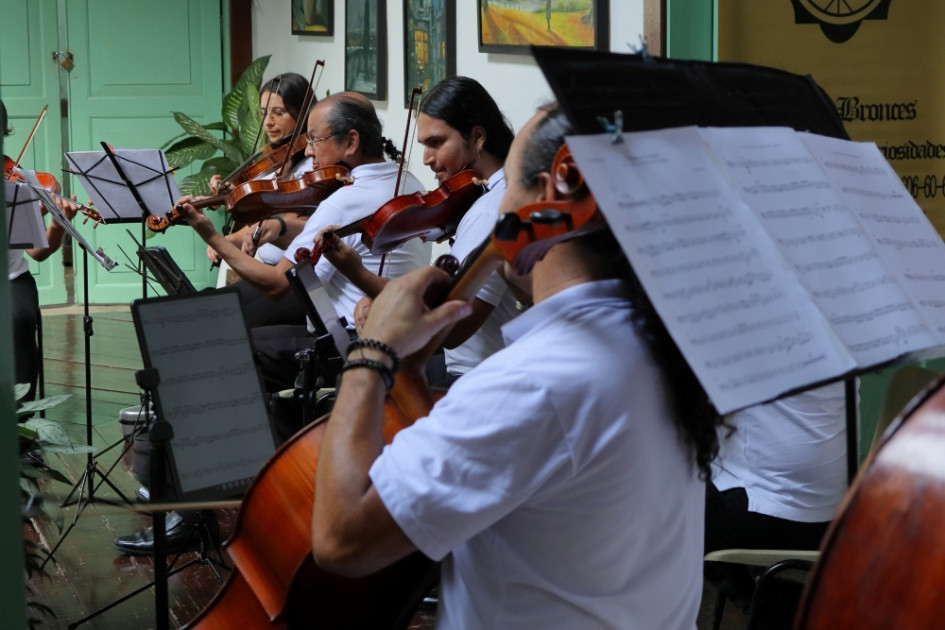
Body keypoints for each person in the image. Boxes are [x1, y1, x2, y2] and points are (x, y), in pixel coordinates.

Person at [310, 104, 725, 629]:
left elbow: (340, 541)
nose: (499, 202)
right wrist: (410, 372)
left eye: (508, 183)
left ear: (553, 195)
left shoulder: (536, 380)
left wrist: (370, 356)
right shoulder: (656, 343)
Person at [114, 92, 431, 557]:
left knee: (202, 359)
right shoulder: (408, 179)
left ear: (350, 143)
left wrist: (210, 233)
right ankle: (215, 486)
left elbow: (276, 284)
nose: (309, 151)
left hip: (340, 344)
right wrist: (279, 227)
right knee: (224, 341)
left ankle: (197, 510)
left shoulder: (347, 200)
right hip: (383, 336)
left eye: (317, 140)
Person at [314, 76, 519, 385]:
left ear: (477, 137)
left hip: (476, 379)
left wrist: (360, 276)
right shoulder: (492, 194)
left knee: (361, 382)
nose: (427, 159)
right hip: (478, 369)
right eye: (424, 145)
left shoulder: (491, 210)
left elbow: (449, 328)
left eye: (437, 143)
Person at [704, 384, 848, 613]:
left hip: (779, 508)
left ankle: (766, 609)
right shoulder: (838, 352)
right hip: (833, 507)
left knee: (668, 515)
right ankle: (764, 608)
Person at [205, 72, 316, 328]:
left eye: (279, 112)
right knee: (212, 306)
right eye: (265, 113)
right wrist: (228, 199)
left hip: (288, 277)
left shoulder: (310, 169)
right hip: (262, 267)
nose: (269, 122)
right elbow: (260, 219)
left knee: (223, 316)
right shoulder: (271, 163)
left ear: (303, 115)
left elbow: (285, 221)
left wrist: (227, 239)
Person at [3, 99, 80, 407]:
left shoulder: (22, 182)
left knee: (18, 318)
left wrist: (60, 223)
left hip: (11, 279)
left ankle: (22, 422)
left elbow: (38, 252)